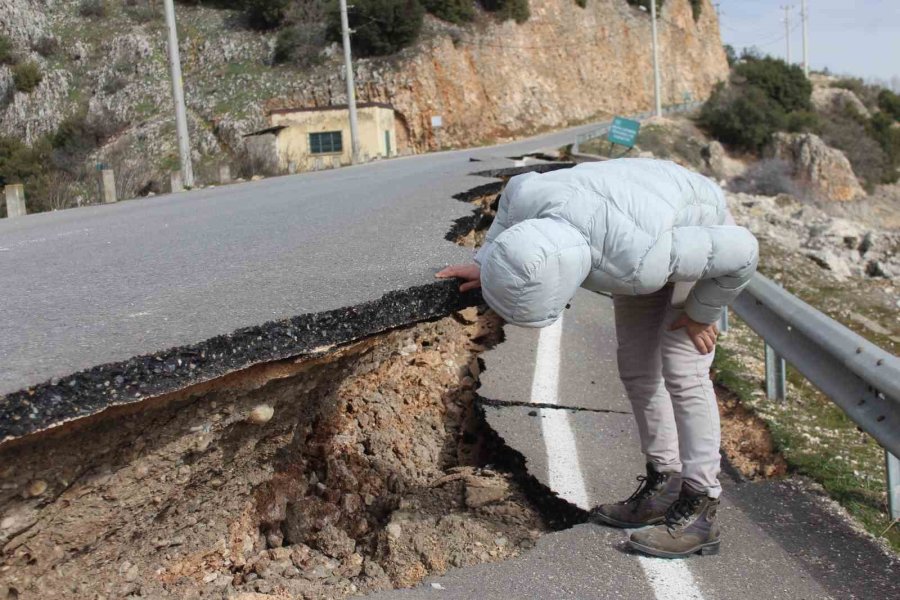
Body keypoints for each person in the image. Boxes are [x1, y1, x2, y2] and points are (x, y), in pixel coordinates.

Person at [436, 158, 758, 559]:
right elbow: (507, 220)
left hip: (698, 226)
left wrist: (701, 313)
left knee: (682, 368)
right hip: (637, 221)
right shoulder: (526, 194)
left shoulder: (638, 261)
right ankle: (664, 483)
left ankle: (701, 507)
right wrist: (486, 262)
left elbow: (743, 252)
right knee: (638, 368)